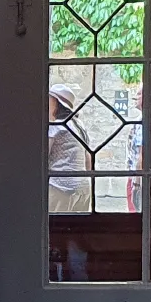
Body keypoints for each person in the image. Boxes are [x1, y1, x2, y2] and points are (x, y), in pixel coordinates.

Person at [48, 82, 93, 213]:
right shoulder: (79, 125)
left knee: (56, 224)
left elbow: (43, 156)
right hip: (83, 188)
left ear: (56, 103)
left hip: (60, 187)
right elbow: (88, 159)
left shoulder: (56, 126)